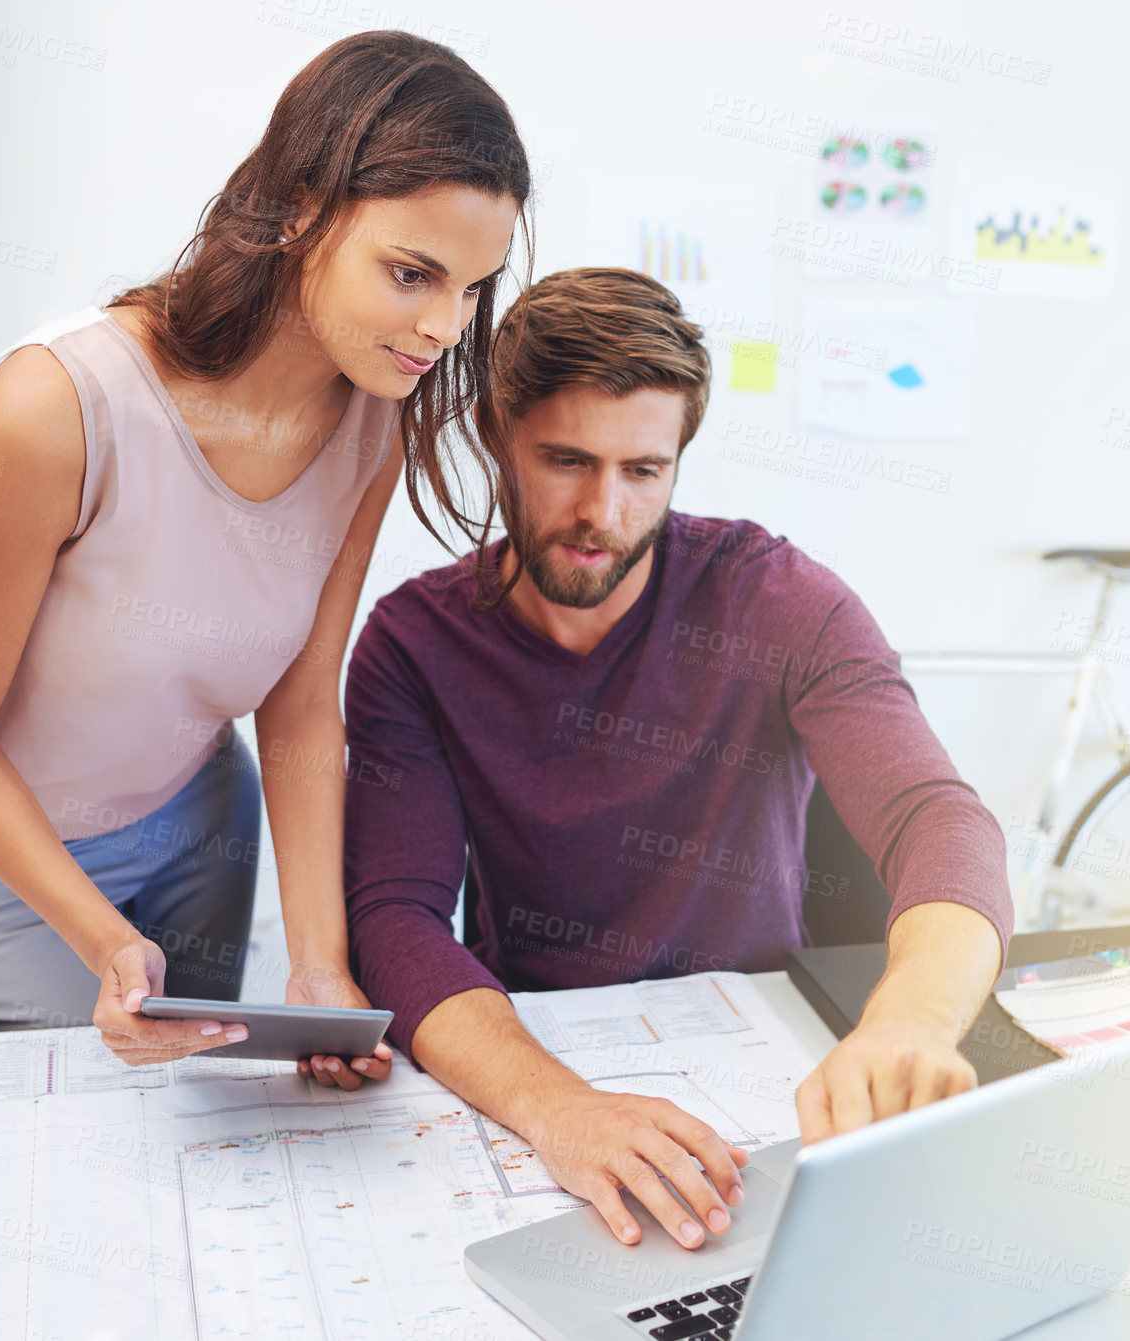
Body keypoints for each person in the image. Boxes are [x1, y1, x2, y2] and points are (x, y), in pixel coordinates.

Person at [0, 32, 529, 1089]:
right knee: (76, 1111)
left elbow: (304, 695)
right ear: (303, 207)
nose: (443, 329)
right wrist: (104, 946)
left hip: (195, 822)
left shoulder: (374, 416)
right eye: (412, 274)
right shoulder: (52, 408)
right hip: (1, 841)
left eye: (470, 289)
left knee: (194, 1107)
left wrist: (319, 965)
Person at [340, 267, 1013, 1247]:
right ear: (496, 435)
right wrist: (560, 1109)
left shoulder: (778, 601)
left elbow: (939, 821)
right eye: (566, 461)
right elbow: (395, 918)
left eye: (642, 471)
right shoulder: (414, 644)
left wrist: (909, 1021)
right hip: (532, 1055)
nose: (601, 513)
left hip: (761, 1062)